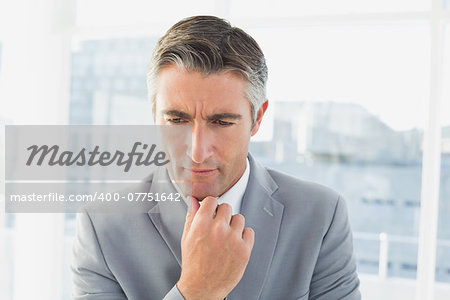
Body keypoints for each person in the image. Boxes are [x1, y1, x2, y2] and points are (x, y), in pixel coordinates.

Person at [71, 15, 361, 300]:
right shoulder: (101, 227)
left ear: (257, 118)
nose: (197, 152)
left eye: (222, 122)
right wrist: (196, 291)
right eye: (176, 120)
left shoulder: (321, 215)